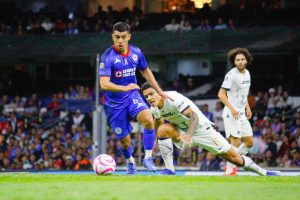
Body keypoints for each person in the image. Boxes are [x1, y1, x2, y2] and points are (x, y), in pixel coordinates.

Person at [141, 82, 280, 176]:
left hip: (202, 130)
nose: (149, 98)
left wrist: (189, 134)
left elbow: (194, 117)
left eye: (151, 94)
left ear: (158, 91)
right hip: (182, 132)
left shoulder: (173, 98)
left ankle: (264, 172)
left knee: (234, 159)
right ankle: (169, 170)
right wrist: (156, 141)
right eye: (146, 96)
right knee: (163, 130)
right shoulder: (153, 108)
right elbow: (159, 123)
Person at [99, 22, 169, 174]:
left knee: (149, 120)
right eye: (117, 37)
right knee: (125, 141)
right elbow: (103, 84)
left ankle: (148, 158)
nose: (120, 41)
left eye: (124, 37)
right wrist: (124, 87)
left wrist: (159, 90)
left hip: (132, 96)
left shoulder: (136, 52)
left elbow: (146, 71)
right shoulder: (107, 57)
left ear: (129, 37)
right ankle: (130, 162)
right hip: (114, 104)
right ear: (113, 37)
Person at [218, 48, 254, 175]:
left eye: (242, 59)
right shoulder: (231, 75)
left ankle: (232, 160)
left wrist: (247, 107)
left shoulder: (248, 73)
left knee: (249, 142)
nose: (240, 62)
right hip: (231, 112)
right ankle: (230, 170)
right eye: (237, 60)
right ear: (234, 62)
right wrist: (232, 109)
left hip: (242, 113)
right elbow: (221, 94)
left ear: (247, 60)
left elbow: (244, 93)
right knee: (236, 142)